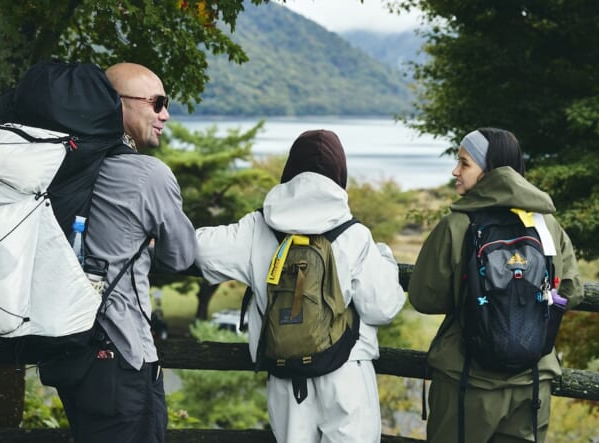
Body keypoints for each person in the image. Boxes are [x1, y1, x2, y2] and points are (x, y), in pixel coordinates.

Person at [195, 129, 407, 443]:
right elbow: (383, 307)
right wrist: (385, 257)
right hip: (346, 370)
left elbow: (199, 249)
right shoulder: (353, 233)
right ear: (340, 174)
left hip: (286, 373)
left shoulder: (257, 227)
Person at [408, 127, 583, 443]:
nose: (455, 171)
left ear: (490, 171)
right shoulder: (546, 224)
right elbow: (571, 291)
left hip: (466, 382)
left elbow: (424, 298)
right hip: (532, 382)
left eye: (464, 163)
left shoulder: (456, 225)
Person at [53, 62, 197, 443]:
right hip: (123, 352)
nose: (165, 113)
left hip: (71, 348)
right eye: (157, 102)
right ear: (119, 104)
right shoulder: (148, 175)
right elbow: (182, 255)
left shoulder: (68, 165)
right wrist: (148, 240)